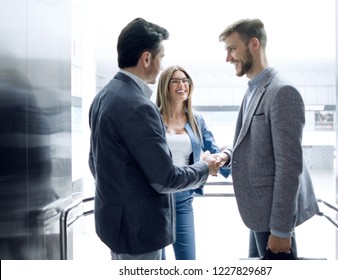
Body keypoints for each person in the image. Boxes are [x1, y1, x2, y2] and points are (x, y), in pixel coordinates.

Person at [88, 18, 218, 260]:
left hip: (115, 225)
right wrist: (205, 167)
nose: (161, 66)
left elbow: (94, 162)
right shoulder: (139, 106)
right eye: (161, 58)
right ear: (147, 58)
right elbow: (165, 178)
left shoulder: (103, 97)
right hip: (139, 230)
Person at [214, 18, 319, 259]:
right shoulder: (253, 88)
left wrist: (282, 229)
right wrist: (228, 155)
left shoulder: (282, 92)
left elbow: (289, 165)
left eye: (232, 49)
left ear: (253, 44)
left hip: (274, 218)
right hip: (258, 211)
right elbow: (253, 142)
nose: (228, 58)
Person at [156, 65, 230, 260]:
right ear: (165, 86)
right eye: (176, 81)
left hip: (184, 197)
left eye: (185, 80)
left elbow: (214, 150)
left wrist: (223, 157)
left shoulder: (196, 119)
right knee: (155, 263)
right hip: (155, 200)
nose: (182, 85)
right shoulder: (152, 117)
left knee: (188, 261)